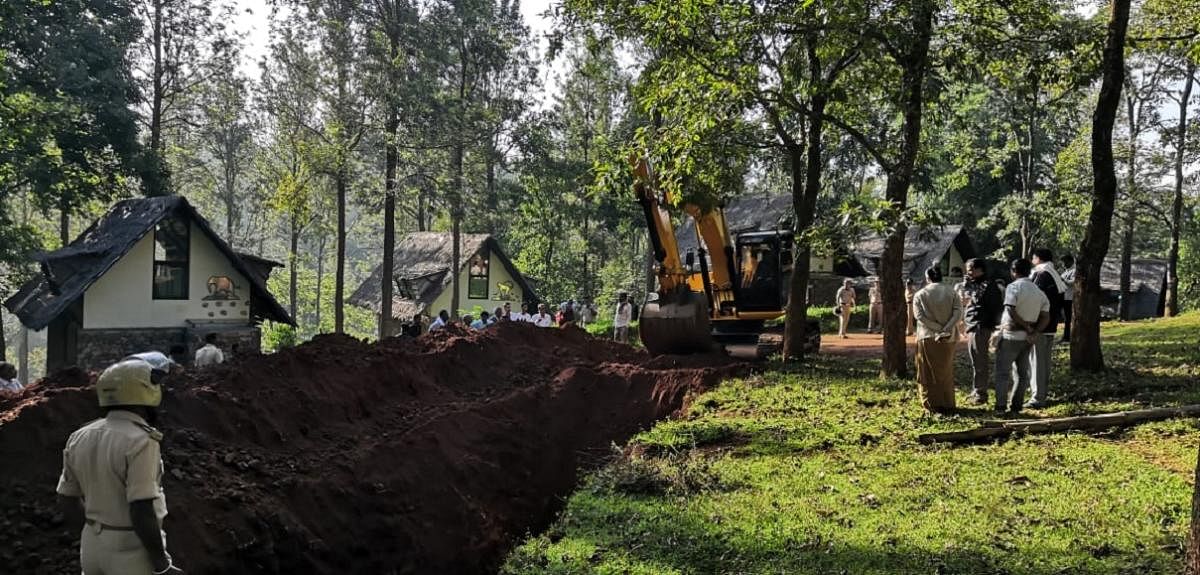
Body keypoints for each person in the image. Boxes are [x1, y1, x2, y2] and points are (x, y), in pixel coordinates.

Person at [57, 358, 184, 574]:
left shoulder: (79, 436)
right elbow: (141, 509)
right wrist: (162, 566)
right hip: (131, 550)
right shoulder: (141, 440)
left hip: (91, 546)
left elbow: (66, 500)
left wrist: (96, 531)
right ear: (144, 392)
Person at [994, 259, 1050, 415]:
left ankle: (1000, 407)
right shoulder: (1039, 292)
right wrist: (1035, 331)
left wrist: (1026, 326)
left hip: (1011, 335)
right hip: (1028, 339)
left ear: (1014, 271)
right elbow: (1046, 316)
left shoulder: (1013, 287)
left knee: (1003, 373)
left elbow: (1010, 310)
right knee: (1022, 374)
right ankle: (1016, 406)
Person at [912, 267, 963, 413]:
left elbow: (920, 316)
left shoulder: (920, 294)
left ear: (927, 278)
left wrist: (937, 328)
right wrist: (946, 328)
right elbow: (958, 312)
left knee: (927, 371)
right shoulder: (952, 292)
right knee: (946, 370)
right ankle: (947, 402)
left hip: (927, 336)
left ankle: (931, 403)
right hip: (949, 337)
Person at [960, 258, 1003, 405]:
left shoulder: (986, 285)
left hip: (981, 326)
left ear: (980, 270)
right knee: (975, 360)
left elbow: (978, 300)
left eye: (971, 269)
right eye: (967, 269)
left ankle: (981, 393)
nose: (968, 273)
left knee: (980, 361)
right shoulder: (977, 284)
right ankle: (976, 389)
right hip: (973, 325)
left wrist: (969, 287)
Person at [1028, 248, 1067, 409]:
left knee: (1037, 362)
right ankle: (1041, 393)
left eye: (1033, 257)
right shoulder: (1054, 274)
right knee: (1043, 362)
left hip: (1040, 326)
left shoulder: (1041, 274)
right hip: (1051, 324)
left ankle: (1038, 397)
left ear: (1037, 258)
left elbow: (1035, 299)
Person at [1060, 255, 1076, 343]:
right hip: (1064, 297)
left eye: (1065, 262)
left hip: (1070, 298)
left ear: (1071, 261)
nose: (1063, 264)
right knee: (1066, 318)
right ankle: (1066, 336)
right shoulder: (1065, 272)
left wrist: (1063, 280)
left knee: (1069, 318)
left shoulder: (1074, 271)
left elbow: (1073, 282)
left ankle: (1068, 337)